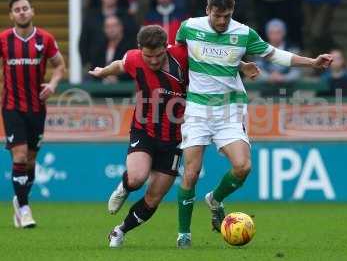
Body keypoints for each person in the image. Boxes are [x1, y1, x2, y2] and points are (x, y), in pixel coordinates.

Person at [175, 0, 332, 248]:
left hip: (230, 111)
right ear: (207, 10)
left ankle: (214, 199)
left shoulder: (243, 33)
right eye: (217, 16)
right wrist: (239, 64)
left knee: (243, 166)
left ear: (232, 12)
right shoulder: (189, 27)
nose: (222, 21)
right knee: (190, 173)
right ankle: (184, 235)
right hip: (198, 110)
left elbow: (276, 55)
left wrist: (312, 62)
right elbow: (180, 56)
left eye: (227, 16)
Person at [88, 25, 259, 248]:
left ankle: (119, 230)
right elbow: (120, 65)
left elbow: (214, 60)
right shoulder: (133, 58)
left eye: (158, 55)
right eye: (148, 56)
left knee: (154, 197)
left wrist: (243, 65)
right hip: (145, 130)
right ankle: (125, 187)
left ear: (165, 48)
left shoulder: (182, 55)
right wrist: (103, 72)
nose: (153, 61)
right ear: (140, 50)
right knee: (137, 178)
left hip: (177, 137)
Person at [0, 0, 66, 228]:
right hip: (11, 107)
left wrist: (53, 84)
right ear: (11, 15)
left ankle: (19, 201)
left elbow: (59, 66)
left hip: (37, 107)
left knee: (30, 160)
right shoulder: (3, 39)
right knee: (18, 156)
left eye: (25, 8)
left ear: (32, 11)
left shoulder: (45, 39)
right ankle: (25, 209)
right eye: (17, 9)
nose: (22, 12)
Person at [86, 15, 134, 83]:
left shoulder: (130, 47)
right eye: (107, 26)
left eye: (114, 26)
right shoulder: (99, 48)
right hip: (102, 88)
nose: (111, 29)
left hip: (125, 89)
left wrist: (118, 79)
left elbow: (133, 69)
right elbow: (93, 68)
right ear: (104, 29)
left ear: (121, 27)